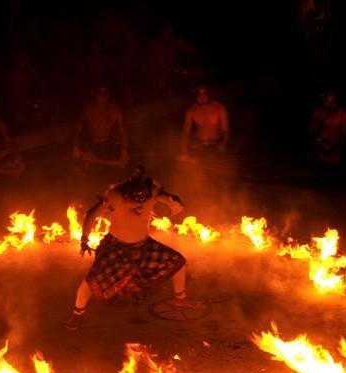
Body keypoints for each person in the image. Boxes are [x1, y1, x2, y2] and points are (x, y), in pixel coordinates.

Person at [66, 165, 202, 330]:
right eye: (135, 204)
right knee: (90, 282)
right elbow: (92, 214)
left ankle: (180, 299)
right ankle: (77, 313)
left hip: (144, 245)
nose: (140, 208)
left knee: (178, 262)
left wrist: (173, 202)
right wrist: (84, 239)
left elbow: (167, 198)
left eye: (143, 203)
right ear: (126, 196)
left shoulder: (151, 192)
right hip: (117, 247)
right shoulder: (114, 197)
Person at [71, 82, 129, 170]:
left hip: (109, 145)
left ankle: (111, 164)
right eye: (100, 95)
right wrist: (75, 147)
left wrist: (124, 152)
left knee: (124, 161)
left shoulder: (115, 111)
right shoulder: (87, 110)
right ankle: (111, 164)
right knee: (84, 158)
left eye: (106, 94)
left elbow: (123, 132)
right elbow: (77, 130)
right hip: (93, 146)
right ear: (95, 94)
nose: (103, 98)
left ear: (109, 95)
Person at [147, 22, 209, 98]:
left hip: (176, 71)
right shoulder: (155, 44)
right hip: (162, 74)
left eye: (171, 30)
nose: (169, 32)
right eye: (166, 30)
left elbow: (193, 51)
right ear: (161, 31)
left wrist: (209, 65)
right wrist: (154, 79)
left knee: (200, 72)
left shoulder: (176, 41)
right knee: (166, 80)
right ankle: (169, 90)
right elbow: (151, 63)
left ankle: (177, 90)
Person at [180, 82, 230, 163]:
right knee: (196, 167)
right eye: (199, 94)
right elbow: (185, 132)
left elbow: (226, 130)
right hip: (199, 144)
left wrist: (223, 143)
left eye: (204, 94)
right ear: (196, 95)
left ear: (209, 94)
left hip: (217, 143)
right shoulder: (191, 111)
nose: (202, 97)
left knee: (220, 166)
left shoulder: (220, 108)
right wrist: (184, 152)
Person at [308, 90, 346, 163]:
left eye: (331, 102)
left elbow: (344, 133)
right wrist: (320, 116)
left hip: (334, 144)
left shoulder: (343, 113)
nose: (327, 104)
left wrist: (337, 151)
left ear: (335, 102)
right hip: (320, 142)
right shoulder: (319, 110)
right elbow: (311, 130)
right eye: (325, 101)